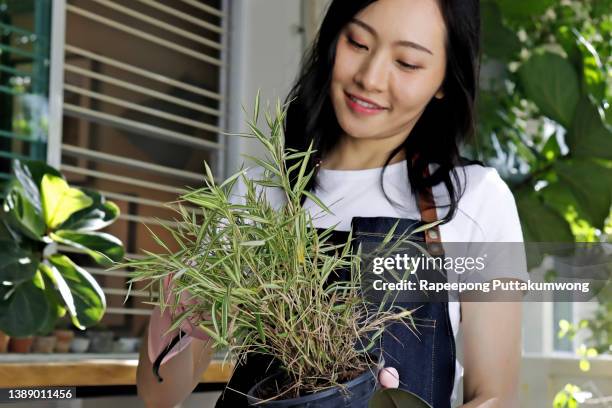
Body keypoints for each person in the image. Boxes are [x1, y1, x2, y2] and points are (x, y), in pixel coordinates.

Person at [137, 0, 526, 407]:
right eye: (358, 42)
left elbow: (494, 397)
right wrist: (184, 297)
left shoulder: (474, 200)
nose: (370, 78)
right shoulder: (257, 194)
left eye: (407, 62)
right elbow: (157, 394)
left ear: (445, 79)